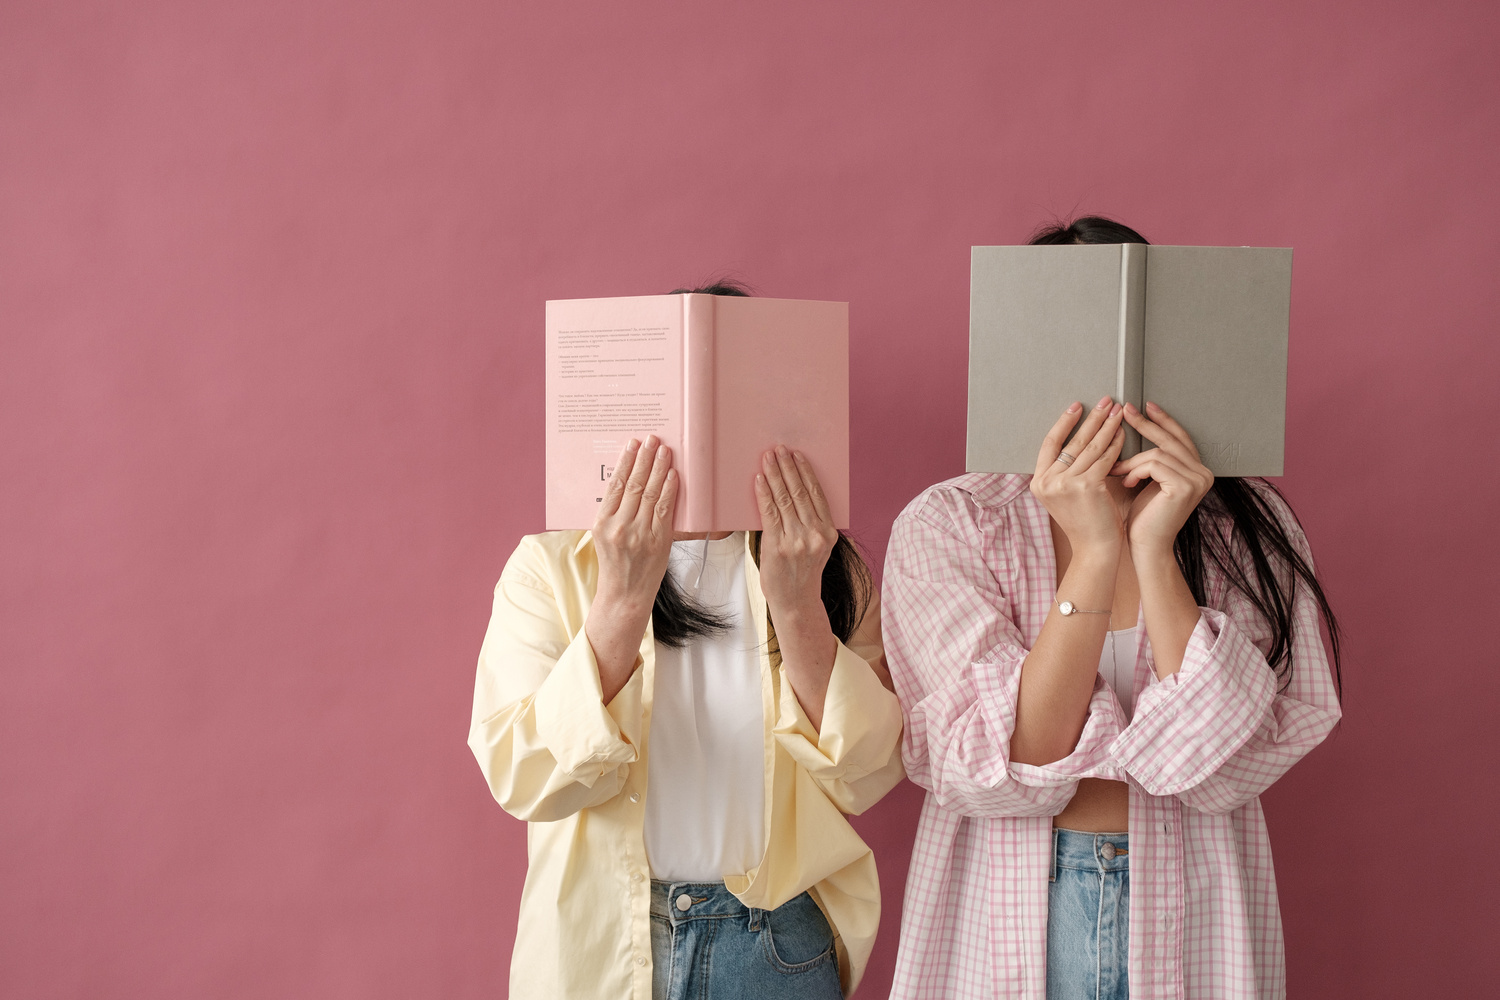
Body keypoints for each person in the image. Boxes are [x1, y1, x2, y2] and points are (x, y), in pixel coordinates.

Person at [883, 218, 1343, 1000]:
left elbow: (1223, 762)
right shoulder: (951, 522)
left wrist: (1155, 548)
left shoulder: (1248, 527)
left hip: (1192, 902)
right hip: (1012, 903)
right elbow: (1015, 756)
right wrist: (1095, 556)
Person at [468, 284, 904, 1000]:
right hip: (602, 946)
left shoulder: (829, 567)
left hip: (775, 945)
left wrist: (797, 605)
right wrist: (622, 599)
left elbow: (869, 772)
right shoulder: (548, 567)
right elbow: (521, 777)